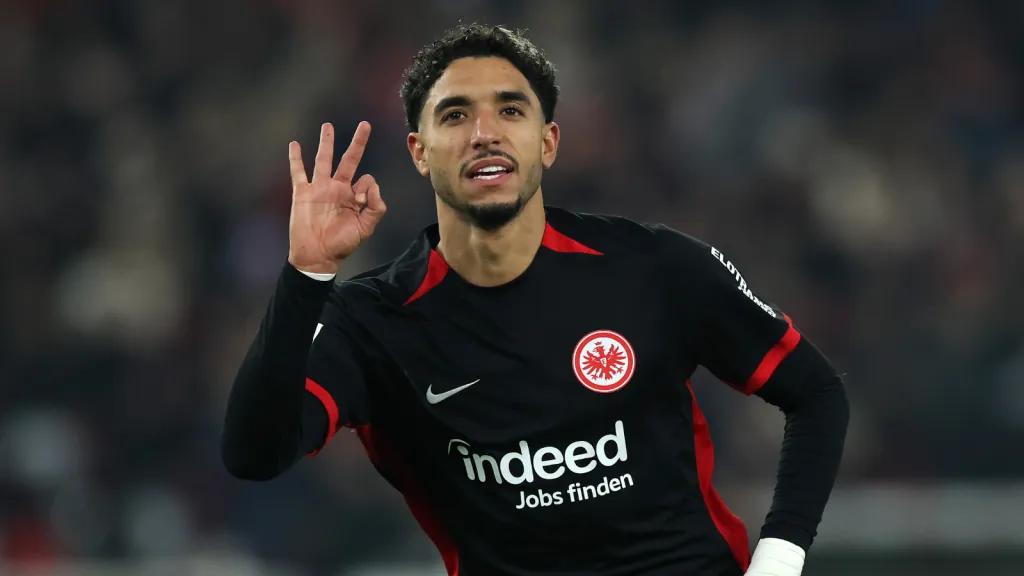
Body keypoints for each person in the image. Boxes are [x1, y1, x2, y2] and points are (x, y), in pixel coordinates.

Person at [221, 23, 849, 576]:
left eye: (511, 110)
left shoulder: (656, 268)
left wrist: (778, 560)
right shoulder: (373, 321)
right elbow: (254, 454)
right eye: (455, 115)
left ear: (547, 142)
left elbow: (817, 393)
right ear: (419, 152)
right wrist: (306, 275)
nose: (485, 133)